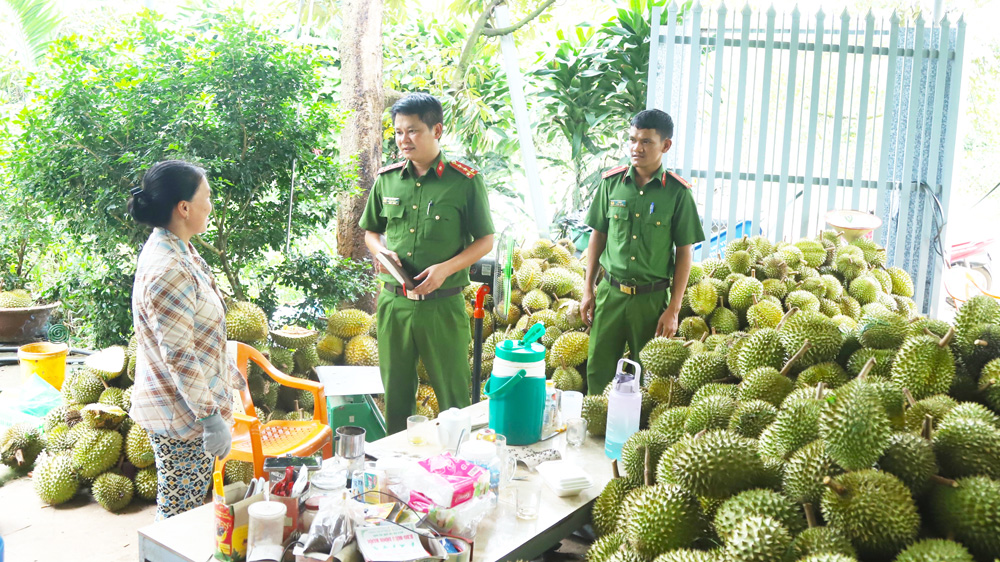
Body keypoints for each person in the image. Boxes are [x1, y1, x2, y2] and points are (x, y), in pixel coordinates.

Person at [359, 93, 495, 434]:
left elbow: (485, 241)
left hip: (442, 306)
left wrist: (445, 269)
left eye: (413, 131)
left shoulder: (464, 181)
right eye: (399, 131)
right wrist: (380, 252)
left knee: (453, 396)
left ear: (437, 130)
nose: (404, 139)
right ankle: (397, 472)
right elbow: (370, 232)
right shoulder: (387, 179)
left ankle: (456, 469)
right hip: (394, 304)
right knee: (397, 395)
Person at [128, 160, 242, 520]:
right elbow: (179, 355)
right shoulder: (168, 269)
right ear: (184, 208)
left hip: (189, 406)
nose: (211, 205)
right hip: (182, 416)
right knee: (179, 513)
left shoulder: (180, 248)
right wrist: (210, 418)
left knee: (187, 505)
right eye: (207, 197)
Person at [581, 109, 705, 393]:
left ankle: (633, 434)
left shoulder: (678, 193)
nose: (637, 148)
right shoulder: (611, 184)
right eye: (633, 140)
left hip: (651, 301)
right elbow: (597, 237)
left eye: (646, 141)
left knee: (646, 378)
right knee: (598, 373)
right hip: (610, 294)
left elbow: (684, 252)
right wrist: (588, 289)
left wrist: (673, 309)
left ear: (665, 145)